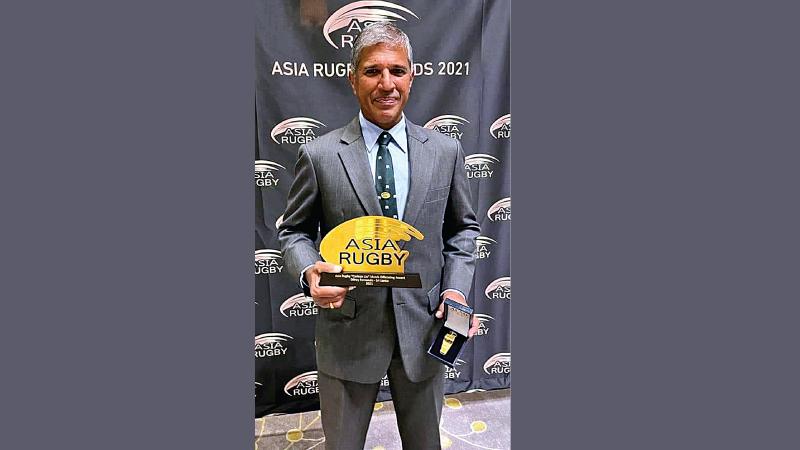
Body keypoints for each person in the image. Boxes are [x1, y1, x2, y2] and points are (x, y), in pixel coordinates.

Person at [278, 22, 480, 449]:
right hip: (347, 333)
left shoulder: (445, 152)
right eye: (372, 71)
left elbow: (463, 230)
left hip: (424, 334)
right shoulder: (319, 155)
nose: (386, 84)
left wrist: (457, 292)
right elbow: (294, 231)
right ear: (353, 80)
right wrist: (309, 272)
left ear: (411, 75)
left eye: (397, 70)